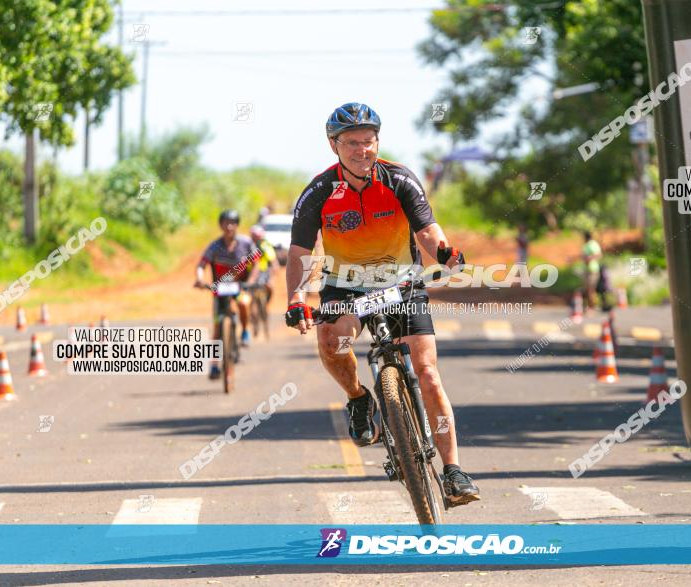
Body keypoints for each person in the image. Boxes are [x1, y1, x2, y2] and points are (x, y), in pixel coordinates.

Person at [284, 102, 480, 506]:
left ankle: (454, 470)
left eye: (369, 142)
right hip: (346, 286)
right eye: (352, 143)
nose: (362, 150)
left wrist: (443, 253)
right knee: (331, 342)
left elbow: (427, 230)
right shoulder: (319, 192)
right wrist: (295, 298)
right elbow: (300, 251)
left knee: (426, 372)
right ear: (333, 146)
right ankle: (359, 398)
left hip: (401, 283)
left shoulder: (399, 178)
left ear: (378, 142)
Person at [195, 210, 259, 379]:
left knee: (244, 304)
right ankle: (214, 365)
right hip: (219, 290)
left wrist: (251, 281)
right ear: (221, 225)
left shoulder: (246, 243)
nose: (229, 226)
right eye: (226, 222)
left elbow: (257, 263)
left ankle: (245, 331)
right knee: (217, 328)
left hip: (240, 287)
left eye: (232, 223)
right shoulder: (214, 245)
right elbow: (201, 264)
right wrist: (200, 279)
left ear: (237, 225)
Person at [250, 224, 277, 304]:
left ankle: (267, 302)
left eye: (257, 236)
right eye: (254, 236)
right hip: (250, 272)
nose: (256, 238)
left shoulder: (265, 246)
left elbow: (274, 262)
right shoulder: (248, 245)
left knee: (269, 286)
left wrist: (272, 279)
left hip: (263, 272)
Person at [581, 230, 602, 313]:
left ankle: (593, 307)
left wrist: (589, 259)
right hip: (587, 270)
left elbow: (598, 255)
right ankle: (589, 306)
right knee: (587, 290)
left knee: (591, 290)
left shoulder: (592, 244)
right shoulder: (586, 245)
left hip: (593, 270)